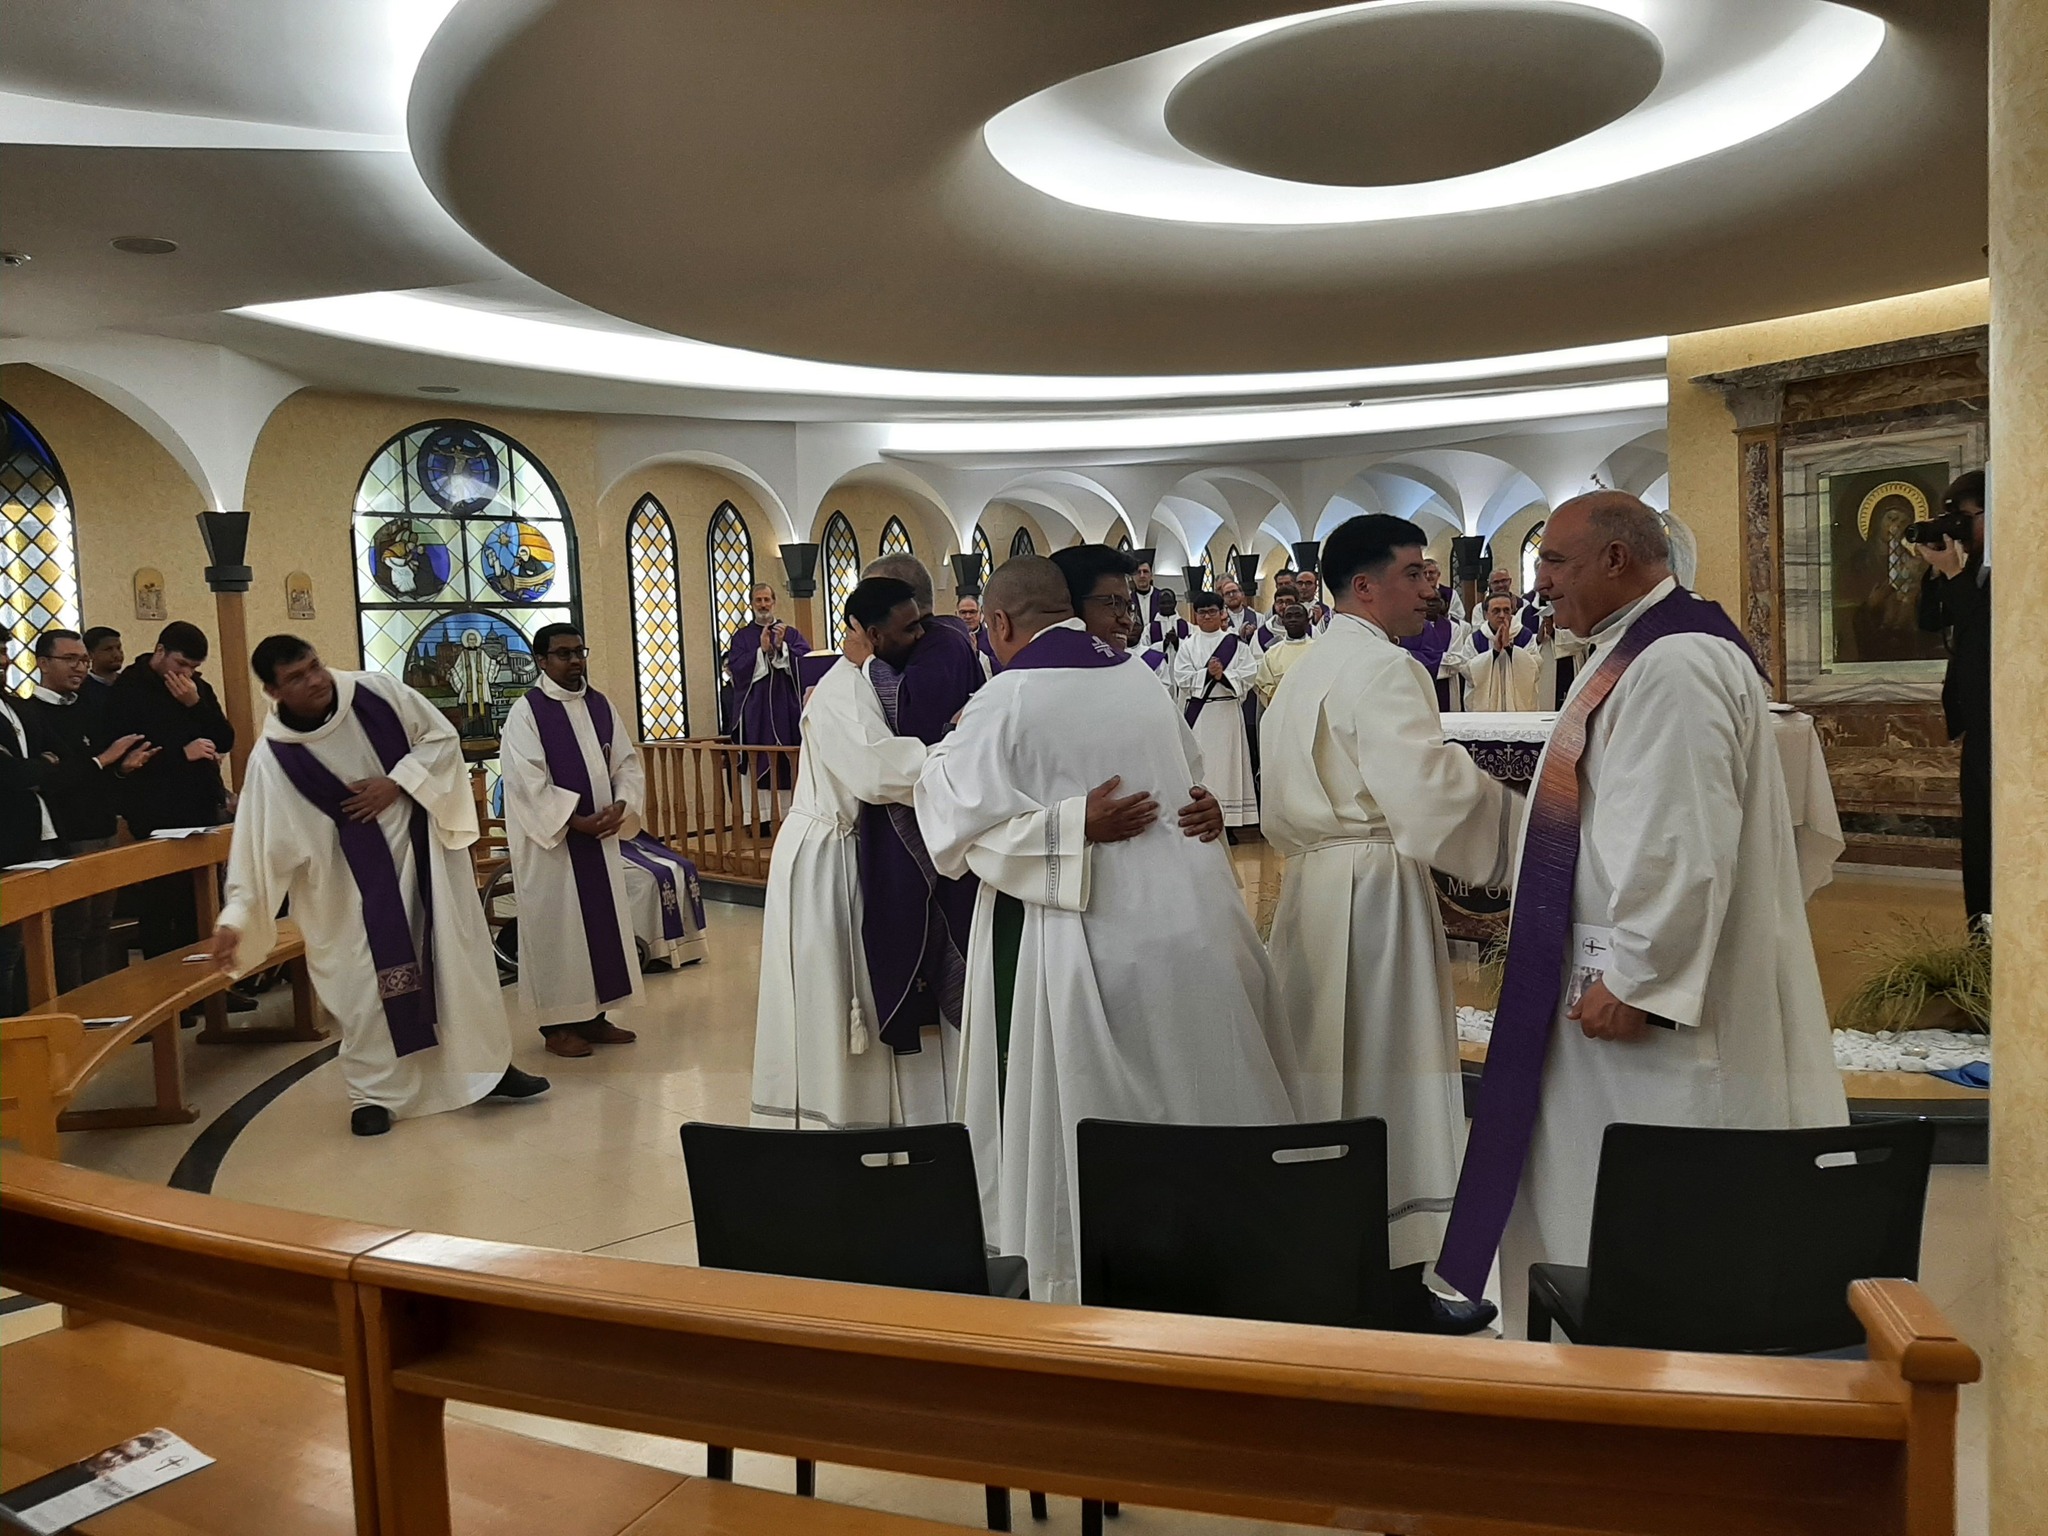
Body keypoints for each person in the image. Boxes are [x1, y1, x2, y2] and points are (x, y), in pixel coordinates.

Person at [1436, 493, 1847, 1322]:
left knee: (1662, 1191)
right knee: (1602, 1182)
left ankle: (1654, 1344)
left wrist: (1640, 980)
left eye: (1555, 562)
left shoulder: (1673, 665)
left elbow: (1678, 838)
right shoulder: (1638, 650)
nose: (1541, 582)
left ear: (1617, 560)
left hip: (1651, 1007)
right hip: (1620, 978)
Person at [915, 556, 1292, 1302]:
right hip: (1185, 923)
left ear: (998, 623)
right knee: (1184, 1082)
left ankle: (1074, 1266)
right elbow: (1188, 780)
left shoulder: (1004, 699)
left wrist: (1064, 824)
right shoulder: (1140, 680)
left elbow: (954, 825)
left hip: (1075, 934)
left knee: (1085, 1102)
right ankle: (1210, 1250)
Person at [1259, 515, 1516, 1333]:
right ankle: (1398, 1275)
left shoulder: (1306, 667)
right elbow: (1433, 793)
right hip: (1375, 890)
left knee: (1327, 1070)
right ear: (1364, 586)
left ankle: (1328, 1257)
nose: (1430, 588)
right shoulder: (1387, 668)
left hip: (1314, 886)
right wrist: (1535, 838)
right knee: (1391, 1069)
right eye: (1415, 573)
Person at [207, 637, 550, 1136]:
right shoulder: (273, 761)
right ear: (273, 692)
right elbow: (258, 848)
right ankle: (374, 1094)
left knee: (456, 971)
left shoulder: (377, 694)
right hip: (345, 891)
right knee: (365, 992)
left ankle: (485, 1071)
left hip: (425, 863)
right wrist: (237, 916)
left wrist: (398, 782)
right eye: (297, 677)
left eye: (315, 665)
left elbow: (440, 738)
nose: (316, 680)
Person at [753, 577, 963, 1130]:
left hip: (849, 847)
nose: (919, 636)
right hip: (826, 858)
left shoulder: (873, 678)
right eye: (908, 628)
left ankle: (889, 1120)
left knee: (857, 992)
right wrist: (957, 751)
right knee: (835, 994)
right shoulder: (842, 690)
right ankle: (837, 1122)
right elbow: (877, 772)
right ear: (870, 634)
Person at [853, 554, 987, 1122]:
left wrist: (866, 668)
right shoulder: (929, 643)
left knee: (947, 936)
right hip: (928, 821)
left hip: (942, 829)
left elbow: (916, 731)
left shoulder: (941, 646)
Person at [498, 624, 647, 1058]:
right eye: (563, 654)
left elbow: (626, 763)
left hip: (598, 839)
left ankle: (594, 1017)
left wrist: (621, 804)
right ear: (541, 661)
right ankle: (558, 1026)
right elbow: (525, 782)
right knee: (558, 932)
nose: (575, 660)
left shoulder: (600, 705)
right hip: (554, 847)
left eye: (580, 651)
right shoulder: (527, 713)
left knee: (599, 928)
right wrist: (574, 821)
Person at [19, 630, 156, 988]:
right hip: (69, 831)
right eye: (70, 659)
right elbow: (50, 778)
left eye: (83, 660)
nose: (79, 668)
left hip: (103, 824)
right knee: (72, 928)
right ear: (43, 663)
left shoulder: (91, 707)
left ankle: (102, 1003)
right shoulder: (30, 714)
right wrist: (99, 761)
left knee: (100, 925)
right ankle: (75, 1008)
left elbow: (93, 772)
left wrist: (121, 769)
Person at [107, 621, 233, 958]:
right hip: (155, 811)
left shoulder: (197, 688)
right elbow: (126, 757)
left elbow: (225, 738)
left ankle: (207, 973)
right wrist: (181, 754)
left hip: (201, 806)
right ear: (160, 651)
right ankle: (166, 981)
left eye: (193, 667)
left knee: (204, 900)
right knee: (162, 904)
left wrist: (195, 704)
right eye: (181, 664)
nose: (186, 673)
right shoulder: (129, 689)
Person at [1916, 469, 1989, 933]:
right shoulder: (1971, 569)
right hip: (1977, 722)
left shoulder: (2014, 564)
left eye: (1966, 518)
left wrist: (1955, 574)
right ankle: (1980, 937)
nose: (1960, 529)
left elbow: (1985, 633)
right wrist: (1936, 569)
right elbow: (1929, 621)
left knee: (1993, 836)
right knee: (1977, 837)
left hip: (2004, 723)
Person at [1171, 592, 1259, 829]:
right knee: (1204, 766)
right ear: (1195, 615)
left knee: (1229, 766)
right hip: (1202, 714)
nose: (1207, 616)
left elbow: (1249, 673)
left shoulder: (1236, 644)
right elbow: (1181, 677)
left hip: (1227, 711)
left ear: (1222, 614)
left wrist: (1224, 676)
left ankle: (1230, 820)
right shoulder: (1188, 645)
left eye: (1212, 611)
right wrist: (1208, 674)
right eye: (1202, 612)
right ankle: (1206, 816)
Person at [724, 582, 810, 807]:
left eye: (766, 600)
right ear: (752, 604)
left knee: (788, 762)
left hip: (787, 710)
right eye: (758, 600)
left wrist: (782, 649)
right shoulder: (742, 637)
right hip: (756, 711)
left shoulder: (790, 634)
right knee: (758, 757)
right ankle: (760, 816)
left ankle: (791, 811)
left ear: (774, 602)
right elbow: (736, 669)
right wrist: (761, 651)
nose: (763, 605)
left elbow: (806, 664)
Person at [1446, 594, 1542, 711]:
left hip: (1518, 707)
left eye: (1506, 610)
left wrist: (1509, 649)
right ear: (1486, 614)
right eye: (1496, 611)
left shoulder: (1524, 636)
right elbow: (1467, 670)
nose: (1502, 615)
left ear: (1512, 611)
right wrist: (1494, 652)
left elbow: (1535, 667)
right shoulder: (1475, 639)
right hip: (1486, 709)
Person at [1398, 590, 1460, 710]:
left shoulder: (1452, 628)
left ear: (1443, 603)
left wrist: (1410, 656)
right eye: (1427, 601)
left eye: (1435, 600)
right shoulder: (1403, 625)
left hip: (1444, 685)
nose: (1431, 604)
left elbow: (1456, 661)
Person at [1251, 599, 1315, 707]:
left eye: (1298, 616)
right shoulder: (1272, 654)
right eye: (1288, 616)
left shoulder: (1318, 648)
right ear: (1283, 622)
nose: (1293, 620)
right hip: (1282, 709)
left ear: (1307, 620)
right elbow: (1263, 686)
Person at [957, 593, 999, 679]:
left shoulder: (992, 637)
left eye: (972, 612)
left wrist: (977, 654)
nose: (968, 616)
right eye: (963, 612)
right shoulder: (951, 638)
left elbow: (999, 665)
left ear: (980, 614)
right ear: (956, 614)